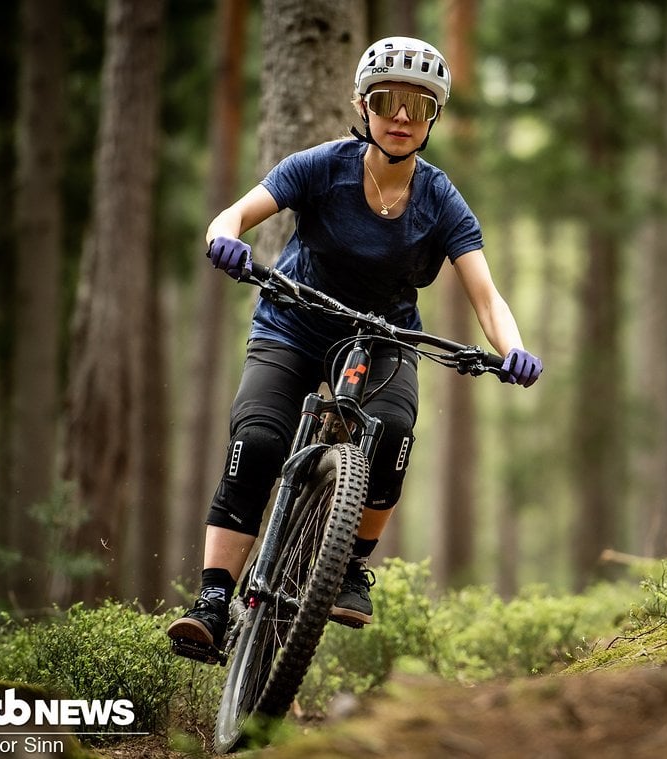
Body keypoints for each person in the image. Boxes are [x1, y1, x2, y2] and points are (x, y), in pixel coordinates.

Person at [167, 36, 541, 657]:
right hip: (292, 322)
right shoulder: (321, 166)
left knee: (392, 434)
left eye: (418, 107)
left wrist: (514, 349)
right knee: (257, 440)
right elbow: (228, 217)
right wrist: (226, 240)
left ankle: (347, 567)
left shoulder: (440, 199)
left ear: (432, 121)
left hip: (383, 337)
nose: (401, 117)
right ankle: (213, 600)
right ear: (364, 105)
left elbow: (486, 296)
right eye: (388, 100)